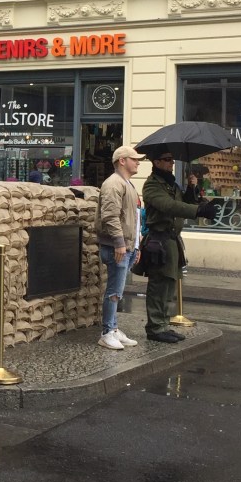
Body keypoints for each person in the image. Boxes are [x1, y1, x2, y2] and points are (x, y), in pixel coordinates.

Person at [136, 151, 218, 343]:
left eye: (172, 159)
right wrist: (199, 211)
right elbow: (170, 206)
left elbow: (182, 202)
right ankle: (155, 327)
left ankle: (163, 324)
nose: (171, 163)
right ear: (156, 162)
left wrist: (192, 189)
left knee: (169, 284)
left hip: (172, 240)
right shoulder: (152, 185)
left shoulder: (171, 184)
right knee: (159, 284)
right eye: (167, 160)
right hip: (159, 240)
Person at [94, 145, 144, 350]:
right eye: (134, 159)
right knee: (114, 291)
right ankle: (107, 332)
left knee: (118, 290)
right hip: (118, 246)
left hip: (127, 245)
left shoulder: (127, 184)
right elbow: (110, 216)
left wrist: (136, 245)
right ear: (122, 160)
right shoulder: (114, 184)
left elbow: (134, 217)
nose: (138, 162)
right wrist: (120, 243)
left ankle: (113, 328)